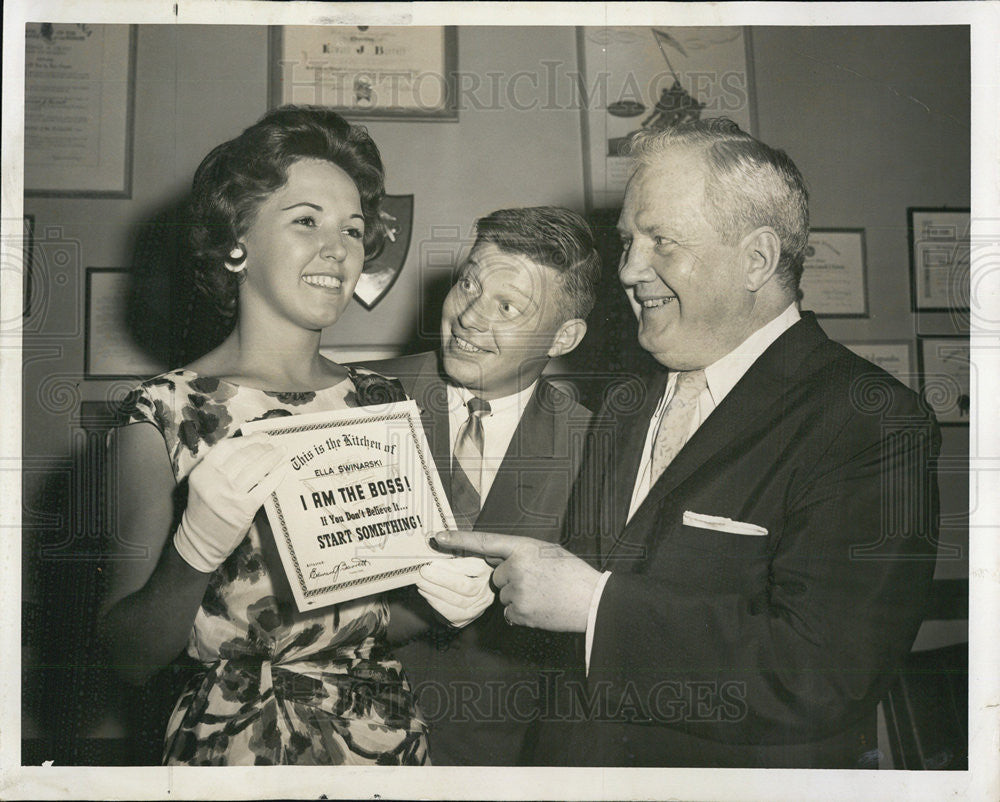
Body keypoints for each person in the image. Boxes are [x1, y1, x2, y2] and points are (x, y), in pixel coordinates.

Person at [435, 119, 941, 768]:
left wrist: (596, 607)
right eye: (627, 241)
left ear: (756, 260)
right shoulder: (625, 403)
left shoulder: (868, 421)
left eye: (661, 243)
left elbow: (825, 673)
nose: (628, 269)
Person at [97, 106, 491, 766]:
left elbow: (376, 623)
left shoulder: (380, 402)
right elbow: (128, 657)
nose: (338, 249)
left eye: (354, 230)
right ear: (235, 241)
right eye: (306, 220)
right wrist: (191, 552)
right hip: (232, 752)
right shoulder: (162, 414)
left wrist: (455, 602)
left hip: (384, 746)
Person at [360, 207, 599, 764]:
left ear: (564, 336)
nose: (467, 317)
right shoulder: (356, 396)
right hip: (345, 743)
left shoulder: (598, 445)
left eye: (507, 307)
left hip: (506, 761)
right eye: (469, 284)